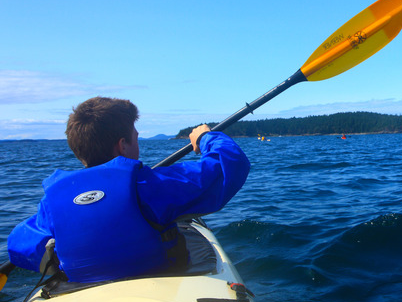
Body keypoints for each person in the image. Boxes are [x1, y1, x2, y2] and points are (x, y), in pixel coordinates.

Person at [7, 97, 250, 283]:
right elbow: (229, 164)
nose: (137, 143)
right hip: (159, 280)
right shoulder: (151, 186)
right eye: (136, 138)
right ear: (123, 145)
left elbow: (19, 244)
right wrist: (206, 138)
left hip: (84, 292)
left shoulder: (52, 204)